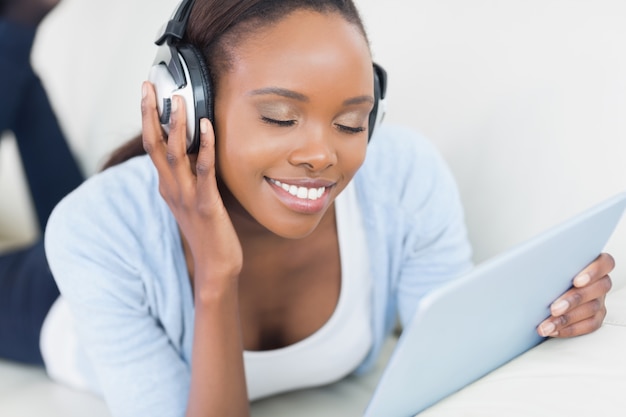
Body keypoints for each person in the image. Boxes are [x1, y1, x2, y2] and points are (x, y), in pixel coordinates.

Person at [38, 0, 614, 416]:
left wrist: (546, 319)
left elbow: (454, 352)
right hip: (53, 302)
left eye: (350, 123)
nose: (321, 155)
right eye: (281, 118)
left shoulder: (404, 176)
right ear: (186, 105)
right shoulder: (96, 233)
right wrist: (216, 274)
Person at [0, 0, 84, 364]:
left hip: (76, 273)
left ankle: (17, 29)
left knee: (22, 84)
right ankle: (17, 29)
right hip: (72, 289)